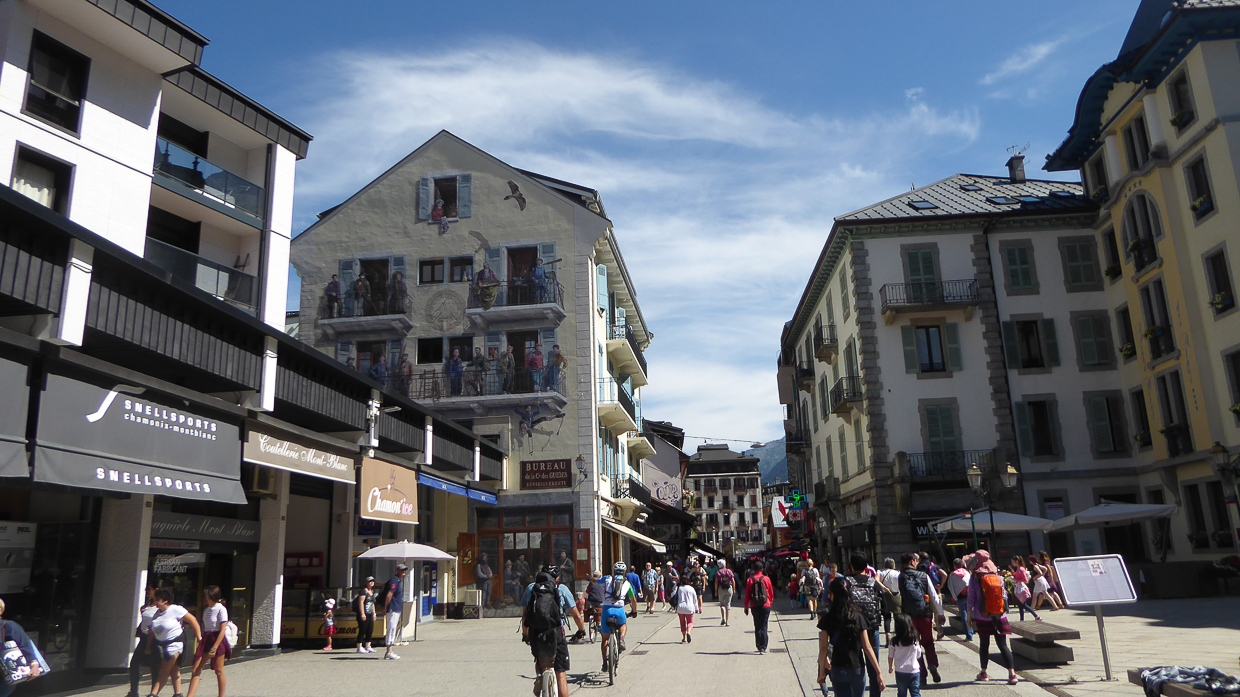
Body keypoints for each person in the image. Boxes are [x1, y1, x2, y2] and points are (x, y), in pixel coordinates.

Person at [521, 565, 586, 697]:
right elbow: (576, 615)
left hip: (536, 632)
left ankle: (540, 675)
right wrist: (581, 630)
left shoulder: (531, 588)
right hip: (556, 632)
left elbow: (525, 616)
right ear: (557, 578)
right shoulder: (561, 589)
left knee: (540, 659)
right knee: (560, 672)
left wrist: (526, 635)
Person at [818, 577, 885, 697]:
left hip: (838, 668)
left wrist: (821, 672)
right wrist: (878, 672)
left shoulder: (827, 618)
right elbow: (867, 647)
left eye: (829, 593)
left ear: (833, 595)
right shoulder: (858, 617)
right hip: (857, 668)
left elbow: (823, 649)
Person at [965, 551, 1018, 685]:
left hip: (982, 616)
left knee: (984, 644)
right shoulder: (998, 577)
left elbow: (971, 599)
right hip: (999, 615)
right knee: (1003, 645)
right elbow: (1004, 596)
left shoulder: (975, 578)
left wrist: (969, 617)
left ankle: (984, 673)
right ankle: (1012, 674)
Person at [898, 552, 945, 684]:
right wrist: (940, 613)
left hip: (909, 617)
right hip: (925, 614)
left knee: (915, 645)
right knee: (928, 642)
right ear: (912, 562)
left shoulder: (901, 577)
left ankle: (922, 674)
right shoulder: (923, 576)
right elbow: (933, 596)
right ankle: (932, 664)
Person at [847, 552, 888, 697]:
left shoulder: (846, 583)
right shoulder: (873, 583)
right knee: (873, 666)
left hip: (852, 629)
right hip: (871, 627)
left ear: (851, 566)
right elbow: (884, 605)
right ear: (866, 566)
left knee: (855, 666)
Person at [148, 588, 202, 697]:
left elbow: (192, 620)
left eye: (158, 600)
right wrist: (148, 646)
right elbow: (151, 631)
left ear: (165, 601)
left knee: (164, 670)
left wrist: (199, 637)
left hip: (175, 643)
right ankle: (178, 694)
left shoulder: (176, 609)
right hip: (161, 645)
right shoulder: (157, 614)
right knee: (174, 670)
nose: (155, 602)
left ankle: (153, 694)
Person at [186, 586, 230, 697]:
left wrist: (214, 648)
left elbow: (222, 630)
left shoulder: (221, 609)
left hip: (217, 640)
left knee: (218, 670)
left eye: (207, 597)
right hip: (207, 638)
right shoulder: (206, 610)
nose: (204, 599)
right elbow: (206, 626)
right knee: (197, 669)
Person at [0, 598, 44, 697]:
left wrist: (34, 665)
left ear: (0, 610)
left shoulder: (9, 626)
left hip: (3, 678)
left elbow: (25, 646)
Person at [599, 562, 638, 673]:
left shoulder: (607, 578)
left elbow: (596, 581)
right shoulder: (627, 583)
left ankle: (605, 663)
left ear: (614, 571)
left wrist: (591, 579)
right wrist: (634, 612)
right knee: (623, 624)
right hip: (619, 610)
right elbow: (633, 600)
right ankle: (621, 639)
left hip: (606, 610)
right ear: (624, 572)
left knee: (604, 639)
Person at [128, 586, 160, 697]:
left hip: (155, 638)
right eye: (146, 589)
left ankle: (154, 693)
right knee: (134, 664)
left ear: (156, 590)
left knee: (155, 666)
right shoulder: (146, 605)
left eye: (149, 589)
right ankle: (133, 691)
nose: (147, 591)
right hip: (144, 636)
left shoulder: (160, 607)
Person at [888, 614, 924, 697]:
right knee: (915, 693)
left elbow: (890, 655)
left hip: (900, 670)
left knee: (901, 693)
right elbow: (919, 653)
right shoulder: (914, 639)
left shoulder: (894, 641)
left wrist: (890, 667)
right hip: (914, 670)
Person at [743, 560, 774, 654]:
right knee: (764, 625)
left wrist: (746, 606)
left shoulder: (750, 580)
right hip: (765, 605)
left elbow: (747, 594)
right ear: (762, 569)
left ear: (753, 569)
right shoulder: (766, 579)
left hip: (754, 605)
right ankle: (763, 647)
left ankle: (759, 645)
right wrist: (770, 601)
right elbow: (771, 592)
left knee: (757, 625)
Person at [379, 564, 408, 660]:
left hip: (397, 608)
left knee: (393, 628)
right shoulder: (394, 580)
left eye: (405, 570)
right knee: (391, 628)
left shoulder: (399, 581)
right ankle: (388, 651)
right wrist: (386, 607)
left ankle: (390, 651)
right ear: (397, 571)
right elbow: (389, 595)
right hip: (392, 608)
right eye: (402, 570)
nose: (404, 571)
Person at [946, 558, 972, 642]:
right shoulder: (967, 573)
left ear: (954, 566)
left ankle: (968, 635)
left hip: (960, 598)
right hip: (969, 596)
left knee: (964, 616)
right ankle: (971, 631)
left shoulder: (952, 575)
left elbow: (951, 587)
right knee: (970, 614)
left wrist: (955, 598)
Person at [877, 558, 902, 641]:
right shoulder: (898, 573)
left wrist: (884, 588)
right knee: (897, 616)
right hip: (896, 595)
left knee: (887, 617)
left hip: (885, 595)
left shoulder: (880, 572)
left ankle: (887, 635)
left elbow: (876, 580)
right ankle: (898, 635)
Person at [1009, 556, 1041, 621]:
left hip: (1022, 588)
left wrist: (1017, 580)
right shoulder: (1018, 569)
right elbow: (1016, 576)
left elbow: (1025, 579)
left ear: (1016, 562)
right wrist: (1012, 571)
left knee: (1022, 604)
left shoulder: (1021, 569)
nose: (1012, 563)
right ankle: (1023, 619)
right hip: (1019, 587)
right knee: (1021, 605)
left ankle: (1036, 616)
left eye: (1013, 562)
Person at [354, 577, 377, 654]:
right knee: (362, 630)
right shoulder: (363, 591)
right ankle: (359, 647)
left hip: (370, 613)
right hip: (364, 613)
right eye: (370, 581)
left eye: (373, 581)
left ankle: (368, 646)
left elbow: (373, 603)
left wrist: (374, 613)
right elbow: (361, 603)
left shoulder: (372, 591)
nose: (372, 582)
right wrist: (362, 614)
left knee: (370, 630)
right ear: (366, 583)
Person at [676, 572, 700, 643]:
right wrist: (696, 608)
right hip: (689, 607)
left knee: (682, 623)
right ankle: (689, 632)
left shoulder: (679, 588)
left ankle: (684, 638)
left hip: (680, 608)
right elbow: (695, 599)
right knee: (690, 622)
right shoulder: (691, 588)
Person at [715, 559, 737, 626]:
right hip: (729, 588)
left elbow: (716, 582)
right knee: (728, 605)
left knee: (722, 604)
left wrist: (716, 591)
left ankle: (723, 619)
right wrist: (734, 589)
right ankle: (727, 622)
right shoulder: (729, 571)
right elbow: (733, 580)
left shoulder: (718, 572)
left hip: (721, 588)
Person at [475, 553, 494, 618]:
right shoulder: (479, 565)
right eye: (484, 557)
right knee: (484, 593)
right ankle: (482, 605)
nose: (485, 559)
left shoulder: (486, 565)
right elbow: (479, 574)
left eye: (485, 557)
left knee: (489, 592)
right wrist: (486, 576)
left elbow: (490, 571)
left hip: (488, 580)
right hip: (483, 581)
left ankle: (487, 604)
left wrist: (490, 575)